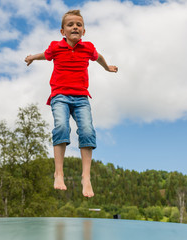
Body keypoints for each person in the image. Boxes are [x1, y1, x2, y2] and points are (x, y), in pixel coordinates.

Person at [25, 10, 118, 198]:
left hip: (82, 97)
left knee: (87, 131)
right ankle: (58, 173)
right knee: (61, 126)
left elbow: (98, 57)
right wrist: (32, 57)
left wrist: (107, 67)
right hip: (59, 95)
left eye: (78, 25)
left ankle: (86, 177)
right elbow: (46, 54)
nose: (75, 27)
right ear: (62, 31)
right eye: (70, 25)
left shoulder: (88, 47)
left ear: (83, 31)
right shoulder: (56, 47)